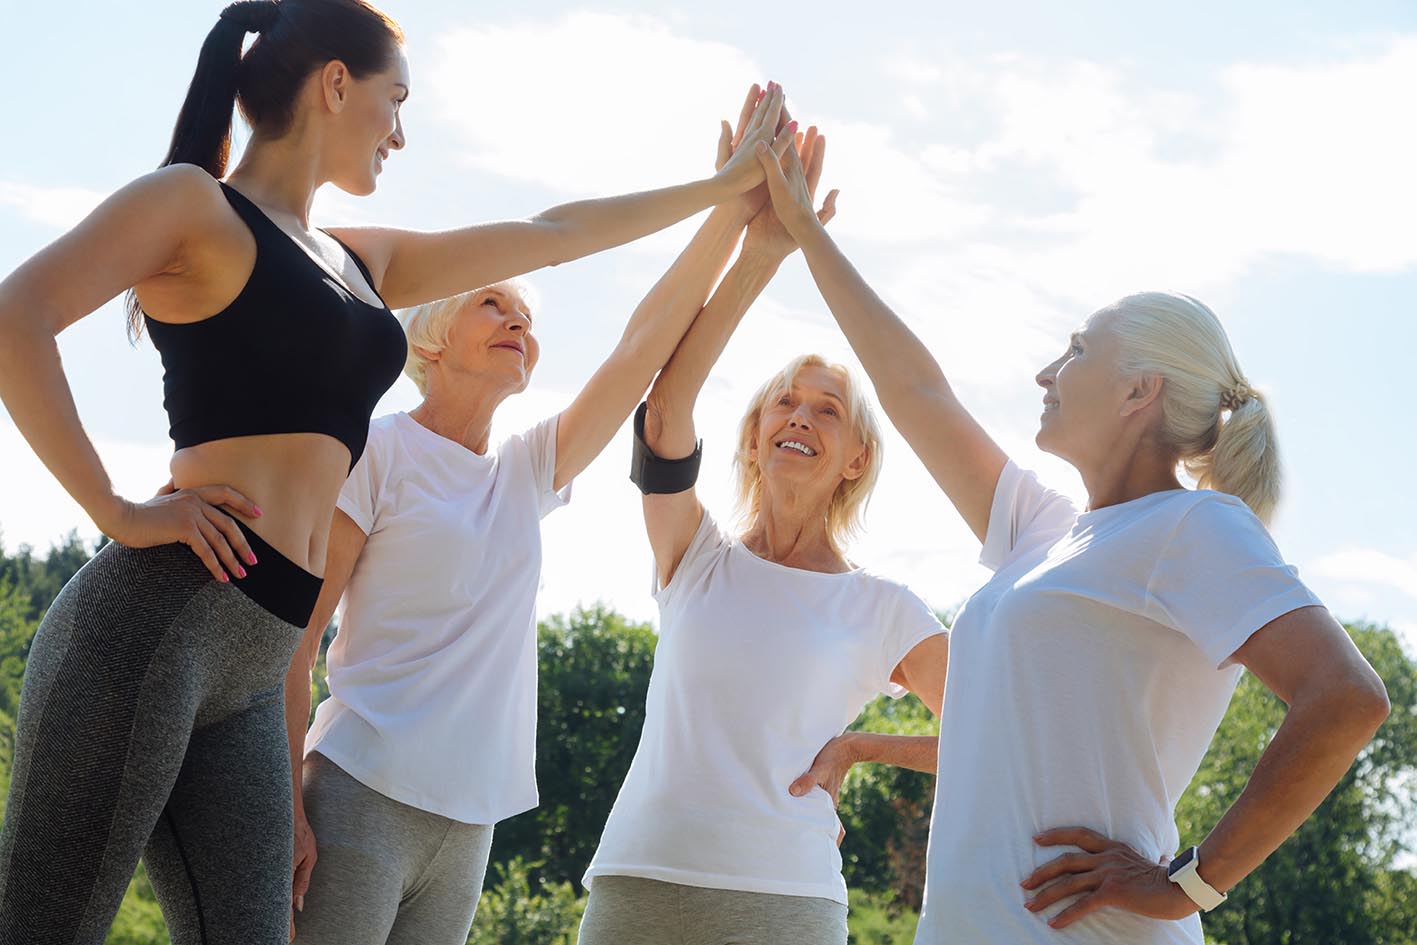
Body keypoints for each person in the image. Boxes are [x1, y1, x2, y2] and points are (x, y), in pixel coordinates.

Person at [0, 0, 783, 935]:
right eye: (394, 101)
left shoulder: (355, 260)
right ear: (337, 84)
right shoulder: (190, 204)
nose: (402, 134)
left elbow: (554, 232)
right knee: (50, 923)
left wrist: (723, 189)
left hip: (254, 667)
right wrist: (118, 509)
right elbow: (18, 316)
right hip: (161, 617)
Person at [749, 141, 1392, 943]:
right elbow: (914, 391)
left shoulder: (1193, 527)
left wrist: (1192, 881)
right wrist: (807, 230)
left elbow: (1346, 697)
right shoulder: (1042, 533)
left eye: (1077, 350)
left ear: (1138, 390)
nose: (1046, 373)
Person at [286, 86, 797, 945]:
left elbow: (640, 350)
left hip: (470, 820)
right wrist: (284, 802)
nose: (517, 322)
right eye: (493, 304)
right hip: (358, 789)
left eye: (527, 316)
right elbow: (298, 640)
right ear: (432, 336)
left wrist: (739, 214)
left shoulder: (525, 471)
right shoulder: (375, 450)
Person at [577, 128, 950, 945]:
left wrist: (861, 746)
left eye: (826, 409)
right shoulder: (695, 558)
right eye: (783, 402)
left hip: (784, 901)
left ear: (854, 458)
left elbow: (997, 725)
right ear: (751, 438)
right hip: (640, 880)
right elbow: (664, 412)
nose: (799, 416)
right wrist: (761, 251)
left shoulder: (882, 607)